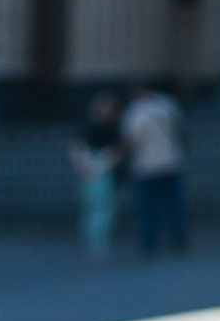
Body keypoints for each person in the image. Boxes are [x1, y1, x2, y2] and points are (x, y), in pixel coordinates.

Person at [119, 81, 188, 256]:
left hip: (147, 166)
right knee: (174, 205)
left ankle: (150, 242)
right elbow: (181, 129)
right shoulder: (168, 104)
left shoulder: (135, 111)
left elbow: (131, 141)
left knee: (149, 208)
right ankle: (179, 239)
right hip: (171, 161)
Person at [70, 90, 125, 259]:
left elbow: (77, 147)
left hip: (95, 171)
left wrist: (84, 166)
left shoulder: (92, 126)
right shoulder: (108, 127)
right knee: (100, 209)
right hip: (101, 172)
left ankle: (94, 241)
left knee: (95, 209)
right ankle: (97, 242)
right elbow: (116, 152)